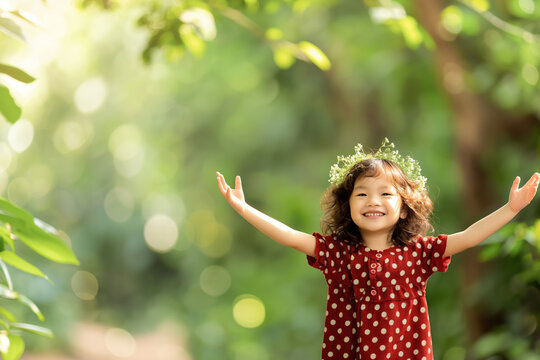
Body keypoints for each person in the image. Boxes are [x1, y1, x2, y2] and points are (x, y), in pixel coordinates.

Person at [216, 139, 539, 360]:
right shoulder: (337, 254)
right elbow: (289, 235)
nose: (373, 201)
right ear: (348, 206)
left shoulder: (419, 253)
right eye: (362, 194)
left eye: (386, 194)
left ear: (403, 209)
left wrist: (510, 210)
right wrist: (245, 209)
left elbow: (468, 236)